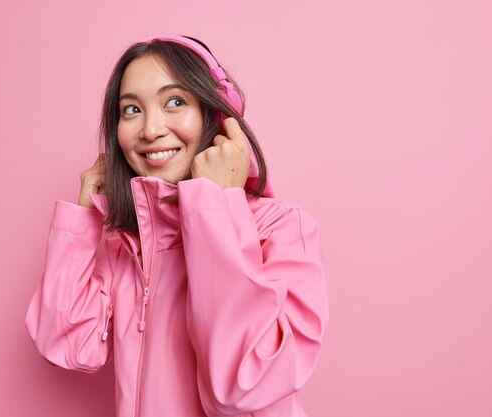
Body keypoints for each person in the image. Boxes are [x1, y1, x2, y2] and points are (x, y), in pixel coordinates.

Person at [25, 35, 329, 417]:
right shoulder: (130, 245)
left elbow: (243, 385)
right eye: (131, 109)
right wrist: (83, 219)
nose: (150, 129)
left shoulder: (281, 228)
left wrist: (215, 210)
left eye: (175, 102)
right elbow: (67, 345)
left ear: (215, 115)